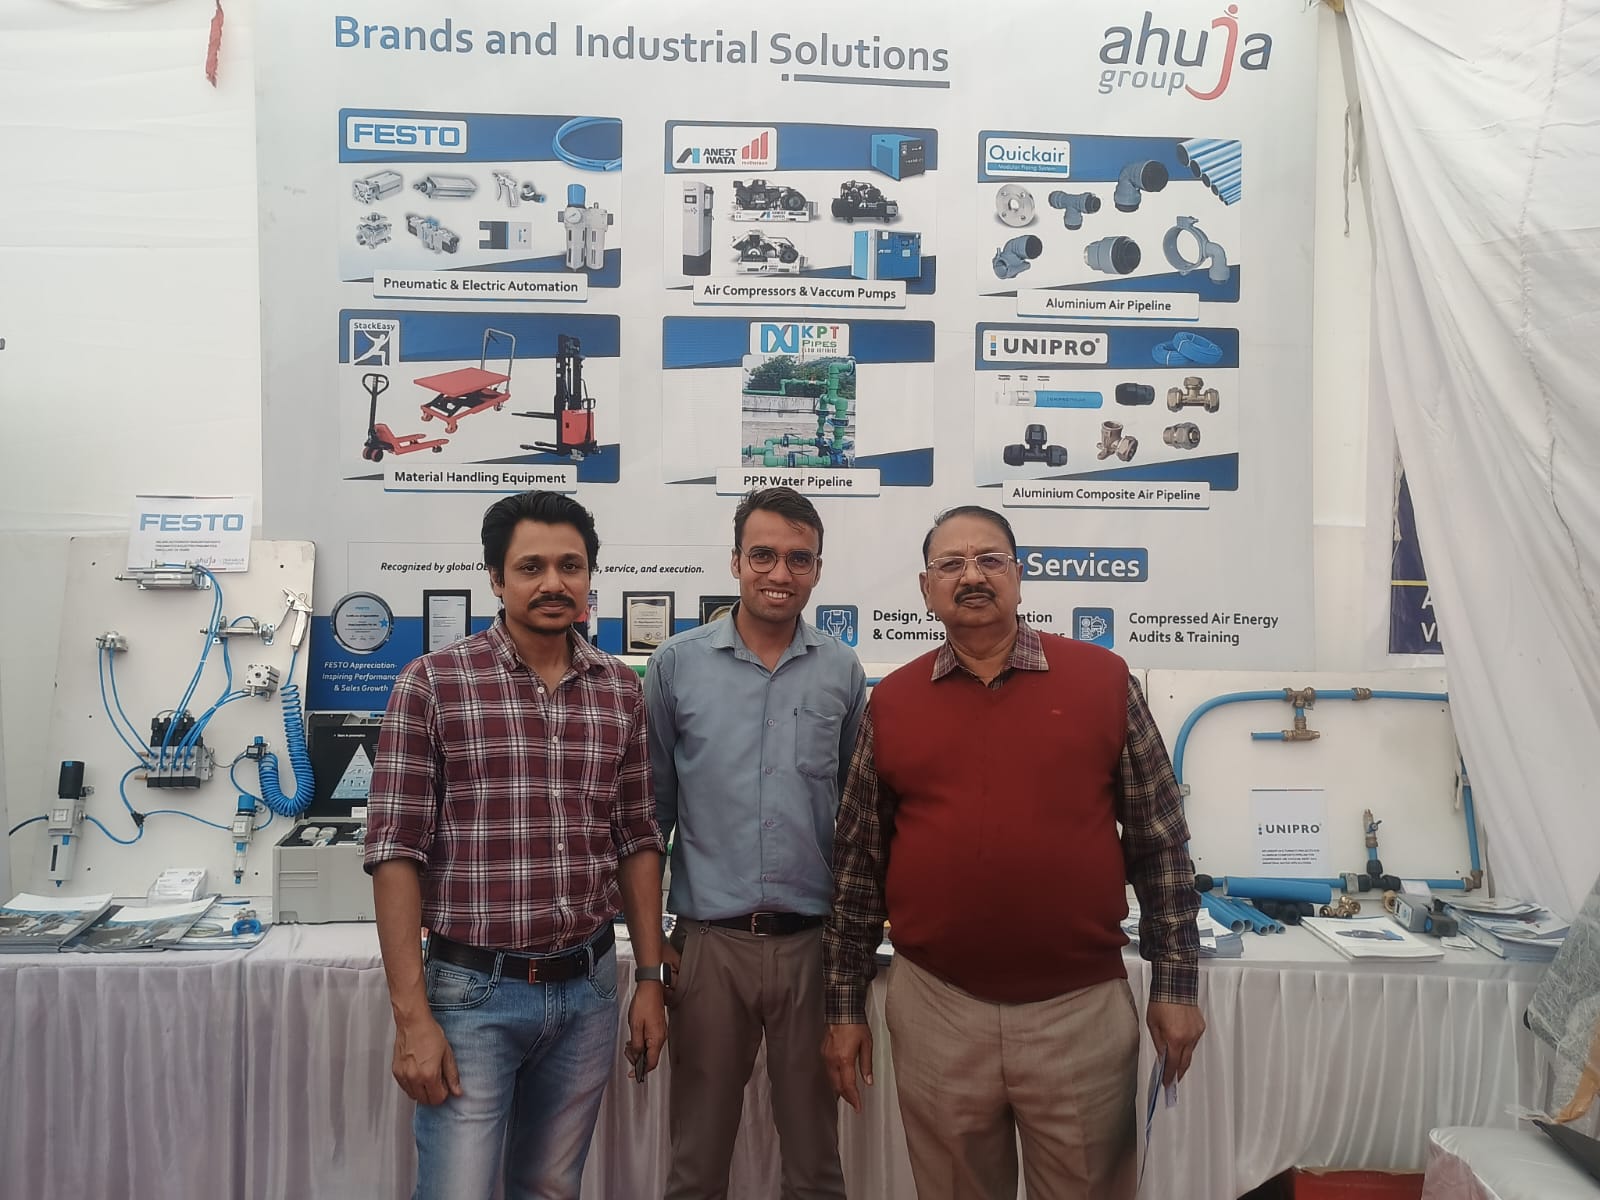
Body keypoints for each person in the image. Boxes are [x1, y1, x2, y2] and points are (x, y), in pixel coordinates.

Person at [822, 504, 1204, 1200]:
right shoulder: (894, 702)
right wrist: (845, 1007)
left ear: (1020, 576)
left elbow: (1161, 843)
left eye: (990, 560)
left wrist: (1175, 985)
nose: (972, 576)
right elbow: (857, 865)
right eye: (951, 564)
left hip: (1078, 1012)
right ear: (926, 588)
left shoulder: (1104, 681)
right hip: (937, 1008)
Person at [364, 491, 669, 1200]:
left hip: (590, 989)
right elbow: (395, 852)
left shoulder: (620, 690)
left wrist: (650, 979)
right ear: (496, 579)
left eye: (571, 566)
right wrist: (411, 1018)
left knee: (552, 1188)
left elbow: (637, 838)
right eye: (531, 567)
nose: (553, 582)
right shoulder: (432, 684)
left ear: (590, 576)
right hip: (473, 993)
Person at [645, 487, 867, 1200]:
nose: (780, 573)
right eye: (763, 555)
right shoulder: (675, 665)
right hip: (709, 947)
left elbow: (858, 821)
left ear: (818, 569)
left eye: (799, 559)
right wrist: (650, 948)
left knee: (816, 1165)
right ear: (736, 561)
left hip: (813, 949)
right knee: (696, 1163)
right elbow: (650, 815)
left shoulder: (842, 670)